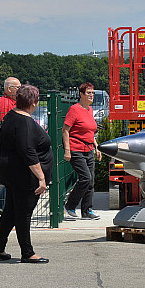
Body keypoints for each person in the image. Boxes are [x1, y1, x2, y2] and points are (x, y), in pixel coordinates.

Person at [0, 84, 53, 263]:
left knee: (10, 211)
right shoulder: (24, 122)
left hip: (9, 171)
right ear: (33, 102)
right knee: (23, 213)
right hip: (23, 175)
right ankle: (27, 253)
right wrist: (41, 177)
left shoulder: (12, 115)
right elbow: (28, 152)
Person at [62, 83, 102, 219]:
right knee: (85, 178)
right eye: (88, 93)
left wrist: (96, 146)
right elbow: (65, 130)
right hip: (76, 149)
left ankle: (87, 211)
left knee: (91, 182)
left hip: (89, 149)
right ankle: (70, 206)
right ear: (81, 94)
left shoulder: (89, 110)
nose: (91, 95)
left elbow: (90, 131)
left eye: (92, 93)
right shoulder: (74, 110)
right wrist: (67, 150)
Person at [0, 76, 21, 214]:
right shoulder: (4, 104)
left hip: (10, 147)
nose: (20, 90)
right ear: (9, 89)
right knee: (11, 178)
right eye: (18, 88)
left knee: (10, 178)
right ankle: (0, 203)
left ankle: (3, 204)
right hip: (9, 147)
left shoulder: (11, 102)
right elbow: (7, 126)